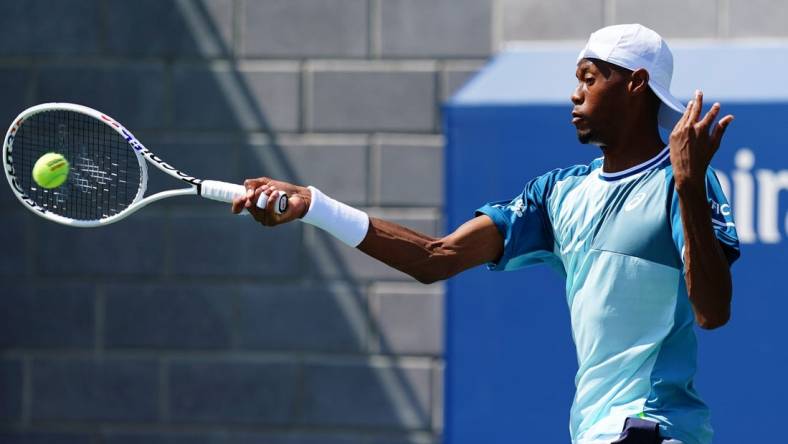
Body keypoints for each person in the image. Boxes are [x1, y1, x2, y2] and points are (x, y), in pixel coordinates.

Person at [231, 24, 739, 444]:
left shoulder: (682, 181)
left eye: (589, 77)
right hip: (592, 433)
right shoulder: (557, 194)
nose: (575, 93)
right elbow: (436, 257)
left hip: (654, 430)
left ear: (634, 84)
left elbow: (711, 311)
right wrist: (313, 205)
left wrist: (691, 187)